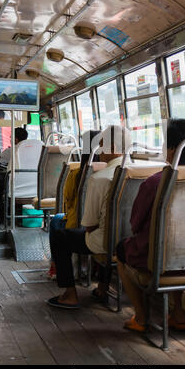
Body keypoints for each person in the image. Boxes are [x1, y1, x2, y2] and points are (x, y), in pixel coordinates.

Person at [116, 118, 185, 332]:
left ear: (173, 150)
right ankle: (179, 315)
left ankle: (142, 317)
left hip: (159, 258)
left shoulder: (155, 182)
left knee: (121, 250)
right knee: (178, 248)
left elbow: (136, 224)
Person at [47, 124, 132, 309]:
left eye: (102, 145)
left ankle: (69, 293)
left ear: (113, 148)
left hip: (106, 242)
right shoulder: (142, 173)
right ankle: (102, 287)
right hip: (131, 239)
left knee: (61, 236)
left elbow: (89, 225)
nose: (99, 151)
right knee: (108, 233)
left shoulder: (99, 178)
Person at [47, 129, 102, 280]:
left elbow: (68, 202)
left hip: (78, 225)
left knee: (57, 220)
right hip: (102, 227)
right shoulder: (113, 175)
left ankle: (56, 267)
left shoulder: (77, 174)